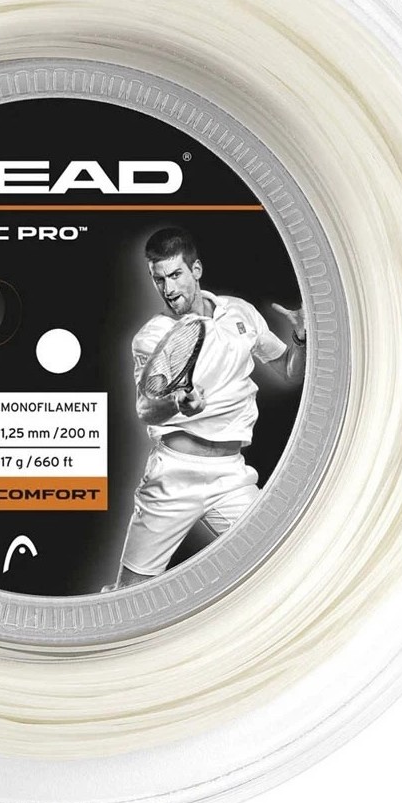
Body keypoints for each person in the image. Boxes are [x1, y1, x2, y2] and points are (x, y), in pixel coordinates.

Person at [106, 227, 305, 590]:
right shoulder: (152, 337)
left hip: (231, 474)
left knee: (279, 565)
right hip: (175, 476)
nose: (168, 289)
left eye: (175, 275)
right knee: (129, 592)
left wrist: (301, 337)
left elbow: (289, 370)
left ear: (195, 270)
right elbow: (146, 409)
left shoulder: (239, 312)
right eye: (158, 279)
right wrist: (177, 403)